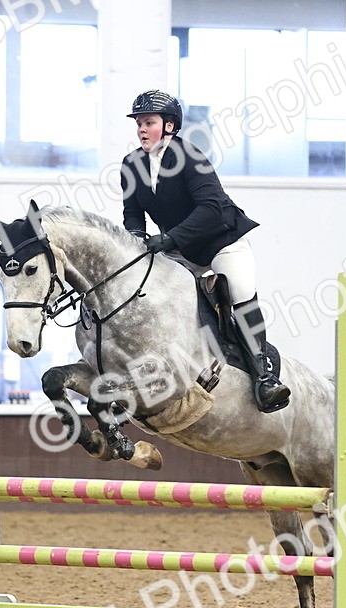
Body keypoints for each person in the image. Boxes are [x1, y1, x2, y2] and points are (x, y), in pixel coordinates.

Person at [120, 90, 290, 413]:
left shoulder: (189, 157)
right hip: (182, 249)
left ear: (169, 126)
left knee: (239, 289)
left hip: (221, 240)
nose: (141, 129)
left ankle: (265, 376)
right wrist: (136, 239)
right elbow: (132, 214)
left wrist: (168, 241)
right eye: (139, 123)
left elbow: (211, 208)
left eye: (149, 123)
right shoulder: (131, 165)